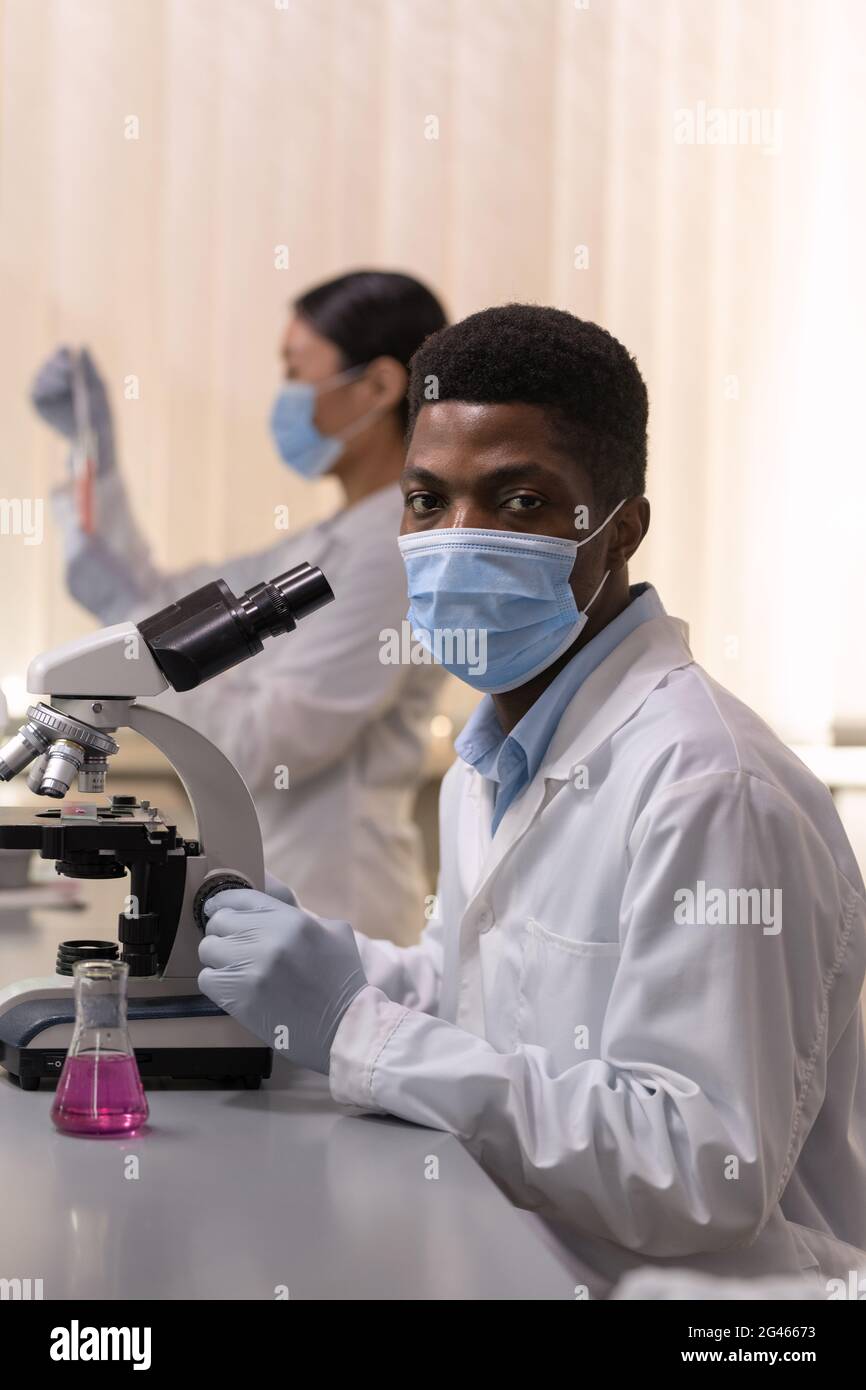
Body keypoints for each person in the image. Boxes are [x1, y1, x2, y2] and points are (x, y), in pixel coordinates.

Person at [197, 304, 866, 1296]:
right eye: (426, 500)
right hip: (523, 1256)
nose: (454, 540)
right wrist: (332, 970)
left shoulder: (708, 785)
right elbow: (486, 1005)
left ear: (622, 528)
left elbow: (697, 1169)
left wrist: (351, 1025)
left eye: (517, 504)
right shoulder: (500, 747)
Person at [30, 271, 448, 944]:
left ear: (377, 386)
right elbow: (162, 597)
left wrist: (143, 661)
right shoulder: (330, 540)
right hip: (276, 897)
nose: (285, 399)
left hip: (340, 912)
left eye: (296, 371)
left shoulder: (390, 551)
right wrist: (93, 464)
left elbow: (264, 742)